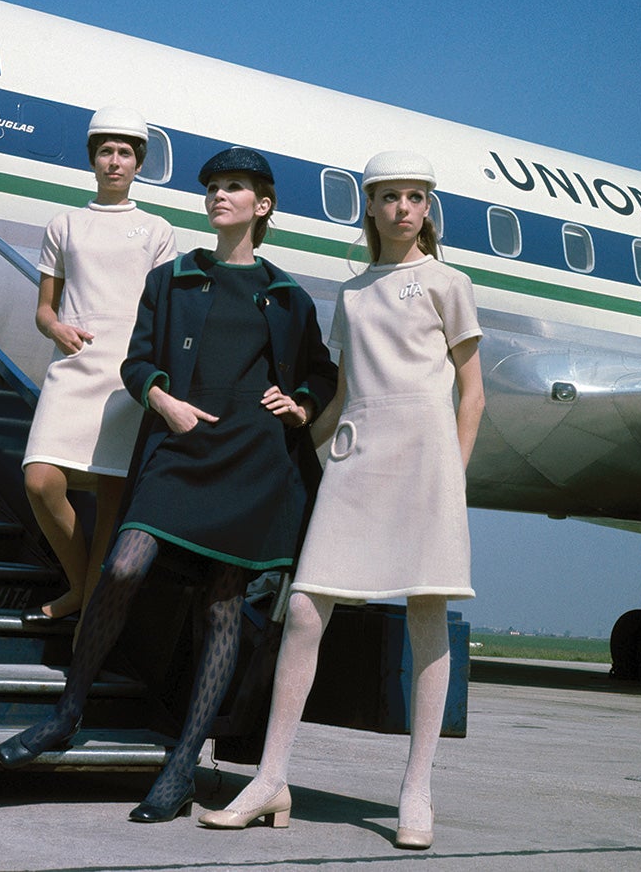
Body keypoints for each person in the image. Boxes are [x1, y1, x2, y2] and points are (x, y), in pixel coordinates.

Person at [0, 147, 337, 824]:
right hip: (180, 449)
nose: (218, 196)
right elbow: (137, 360)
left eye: (233, 188)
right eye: (212, 187)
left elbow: (322, 372)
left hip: (250, 460)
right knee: (123, 566)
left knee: (220, 607)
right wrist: (162, 399)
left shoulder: (288, 295)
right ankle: (68, 712)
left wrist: (299, 403)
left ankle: (183, 764)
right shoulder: (172, 279)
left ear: (261, 206)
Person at [198, 150, 485, 851]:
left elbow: (472, 391)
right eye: (389, 197)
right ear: (372, 207)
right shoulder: (352, 292)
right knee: (303, 608)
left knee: (426, 612)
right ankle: (271, 777)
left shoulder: (449, 283)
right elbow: (346, 391)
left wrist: (456, 472)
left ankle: (416, 787)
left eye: (415, 196)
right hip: (357, 453)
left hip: (425, 455)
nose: (402, 209)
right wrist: (299, 420)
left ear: (427, 207)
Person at [20, 106, 176, 625]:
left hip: (126, 371)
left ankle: (86, 614)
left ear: (138, 164)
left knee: (112, 502)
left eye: (125, 153)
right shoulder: (63, 224)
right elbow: (45, 309)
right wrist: (57, 327)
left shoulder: (156, 230)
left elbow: (162, 311)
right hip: (75, 363)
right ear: (92, 160)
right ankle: (84, 589)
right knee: (41, 480)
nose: (115, 162)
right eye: (106, 152)